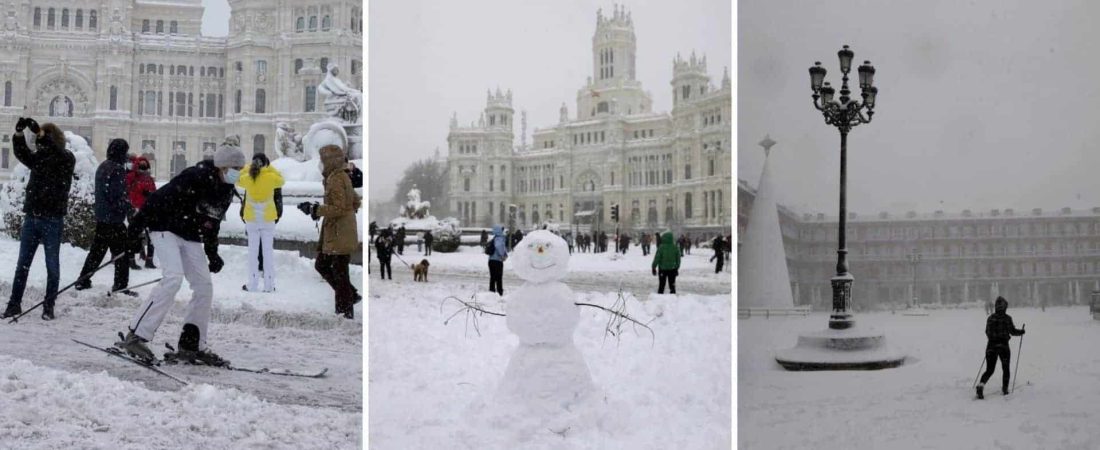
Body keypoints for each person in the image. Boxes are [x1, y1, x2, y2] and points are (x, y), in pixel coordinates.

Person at [116, 143, 245, 364]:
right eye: (234, 168)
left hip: (189, 234)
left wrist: (212, 253)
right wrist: (134, 231)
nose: (237, 173)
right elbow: (158, 198)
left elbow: (212, 224)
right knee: (173, 278)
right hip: (164, 226)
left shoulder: (225, 191)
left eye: (240, 169)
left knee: (204, 285)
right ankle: (136, 336)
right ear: (221, 167)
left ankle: (191, 344)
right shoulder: (195, 176)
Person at [1, 119, 76, 320]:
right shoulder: (40, 157)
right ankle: (14, 304)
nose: (39, 143)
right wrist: (19, 135)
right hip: (32, 217)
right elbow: (23, 153)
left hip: (52, 219)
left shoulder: (66, 158)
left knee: (52, 266)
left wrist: (43, 136)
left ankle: (48, 306)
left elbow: (56, 153)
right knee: (22, 265)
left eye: (42, 138)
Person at [299, 145, 360, 319]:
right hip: (340, 230)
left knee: (336, 271)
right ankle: (349, 298)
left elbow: (339, 207)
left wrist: (316, 209)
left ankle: (345, 311)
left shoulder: (335, 179)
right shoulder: (341, 176)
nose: (320, 164)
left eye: (322, 160)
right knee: (329, 267)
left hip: (339, 233)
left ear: (330, 161)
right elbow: (355, 202)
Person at [74, 138, 133, 297]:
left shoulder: (103, 166)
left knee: (97, 251)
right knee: (122, 253)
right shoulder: (117, 169)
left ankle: (83, 279)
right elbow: (116, 196)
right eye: (125, 152)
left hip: (102, 217)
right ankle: (120, 285)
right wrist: (128, 208)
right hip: (113, 219)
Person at [238, 153, 284, 293]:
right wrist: (268, 168)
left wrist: (248, 168)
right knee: (268, 253)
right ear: (265, 164)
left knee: (252, 254)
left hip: (252, 219)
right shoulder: (271, 177)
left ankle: (252, 285)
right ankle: (269, 285)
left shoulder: (247, 178)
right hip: (268, 219)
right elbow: (281, 180)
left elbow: (235, 177)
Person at [976, 296, 1026, 399]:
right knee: (1005, 368)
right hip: (1004, 346)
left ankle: (981, 385)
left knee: (989, 369)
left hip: (991, 346)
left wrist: (993, 339)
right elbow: (1012, 331)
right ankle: (1005, 388)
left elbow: (987, 332)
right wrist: (1021, 332)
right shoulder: (1007, 318)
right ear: (1004, 307)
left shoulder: (990, 318)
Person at [126, 155, 157, 269]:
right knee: (134, 236)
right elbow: (129, 191)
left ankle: (149, 260)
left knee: (151, 237)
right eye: (141, 165)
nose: (143, 168)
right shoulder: (132, 177)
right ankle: (131, 259)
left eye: (145, 165)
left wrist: (151, 196)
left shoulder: (149, 179)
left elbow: (154, 192)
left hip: (148, 210)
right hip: (135, 209)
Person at [488, 225, 508, 296]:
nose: (503, 231)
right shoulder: (500, 238)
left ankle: (491, 292)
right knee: (499, 277)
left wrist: (504, 254)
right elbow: (499, 246)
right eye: (502, 230)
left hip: (491, 260)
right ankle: (499, 292)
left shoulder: (495, 238)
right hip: (497, 261)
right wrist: (502, 255)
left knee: (493, 277)